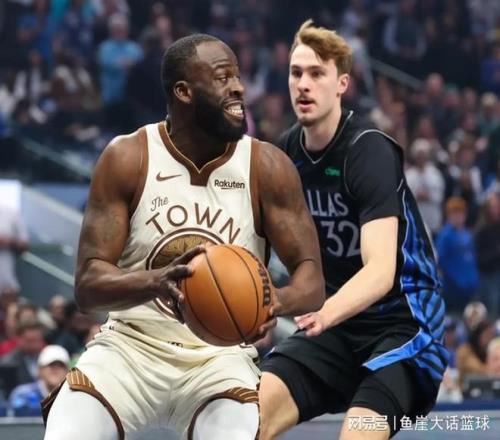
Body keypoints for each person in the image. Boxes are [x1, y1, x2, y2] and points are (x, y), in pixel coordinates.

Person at [42, 33, 324, 440]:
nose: (239, 88)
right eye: (223, 78)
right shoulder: (128, 157)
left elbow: (312, 281)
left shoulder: (267, 167)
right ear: (184, 91)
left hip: (220, 361)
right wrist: (154, 281)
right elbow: (88, 287)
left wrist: (273, 301)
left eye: (237, 77)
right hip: (130, 349)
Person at [259, 20, 448, 439]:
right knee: (246, 418)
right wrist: (256, 306)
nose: (303, 84)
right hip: (334, 327)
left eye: (317, 73)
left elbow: (380, 271)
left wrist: (324, 313)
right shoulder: (284, 154)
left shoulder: (368, 149)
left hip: (403, 324)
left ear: (342, 83)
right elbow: (263, 249)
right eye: (296, 73)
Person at [9, 345, 69, 417]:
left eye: (60, 366)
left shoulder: (73, 396)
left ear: (67, 371)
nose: (55, 369)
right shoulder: (23, 395)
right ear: (40, 370)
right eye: (51, 365)